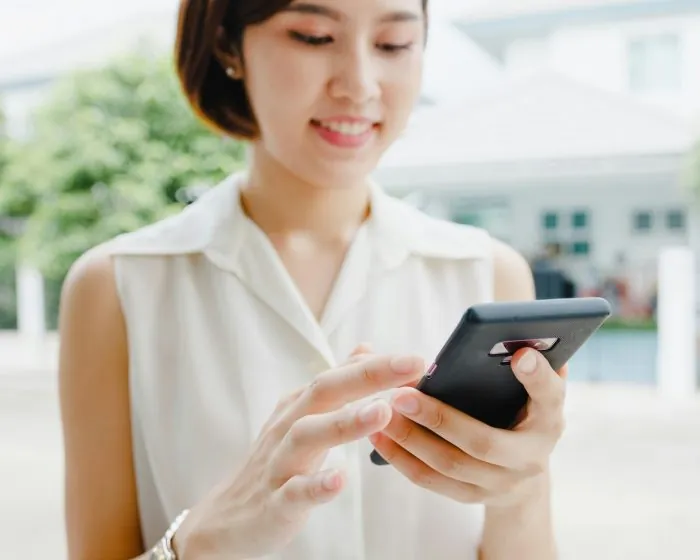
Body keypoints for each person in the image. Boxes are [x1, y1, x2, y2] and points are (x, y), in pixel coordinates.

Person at [58, 0, 567, 558]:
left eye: (393, 44)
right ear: (228, 45)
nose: (360, 84)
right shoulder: (117, 287)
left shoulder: (487, 274)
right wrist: (195, 545)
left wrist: (519, 490)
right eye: (314, 36)